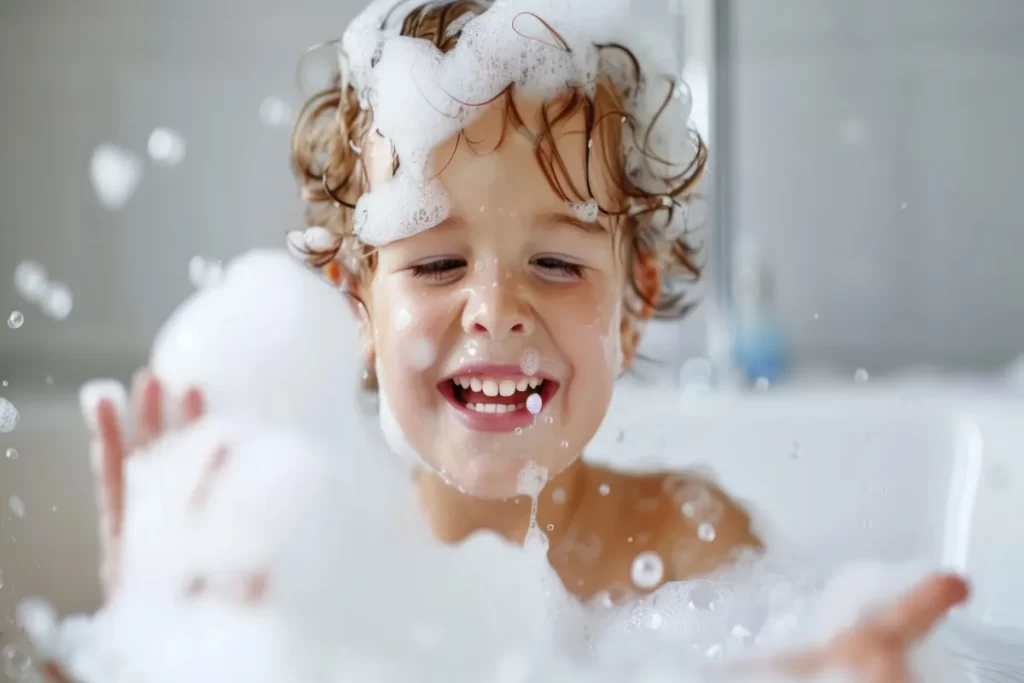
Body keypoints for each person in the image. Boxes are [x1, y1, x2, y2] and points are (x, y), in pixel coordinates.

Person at [81, 2, 967, 680]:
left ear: (633, 303)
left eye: (554, 260)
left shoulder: (688, 544)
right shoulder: (317, 562)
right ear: (354, 307)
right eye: (434, 265)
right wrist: (151, 633)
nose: (495, 310)